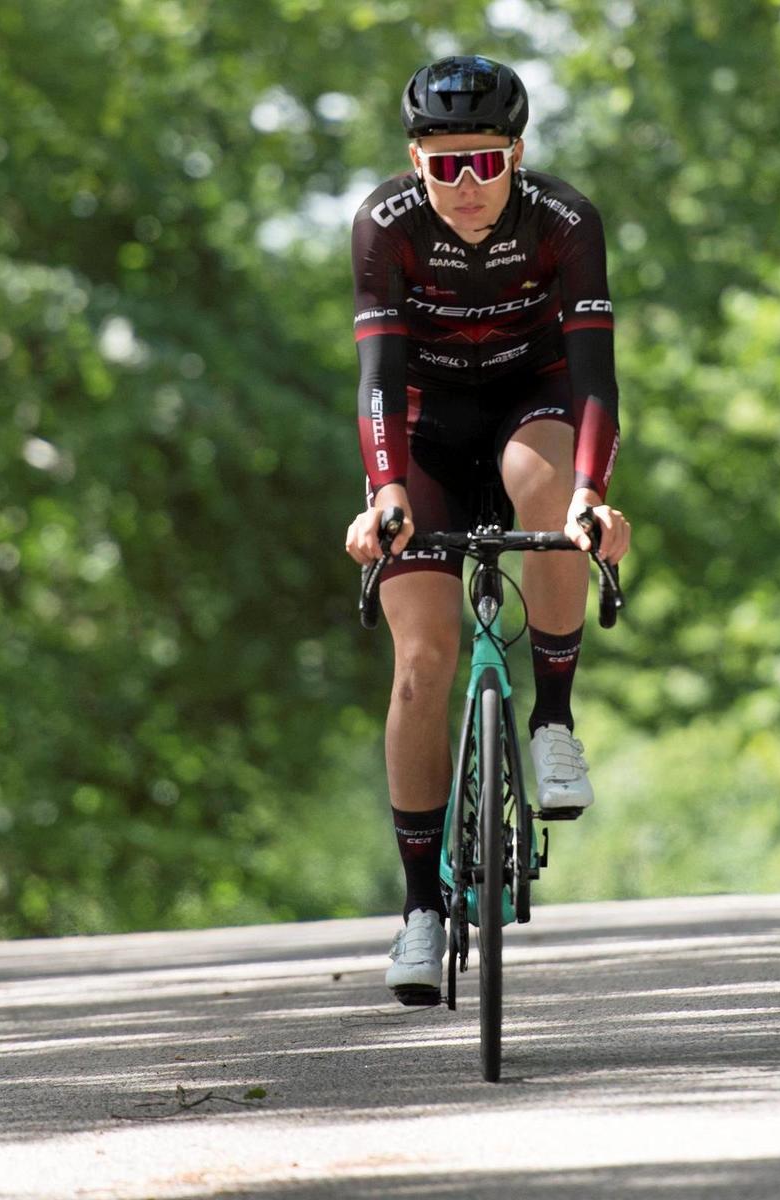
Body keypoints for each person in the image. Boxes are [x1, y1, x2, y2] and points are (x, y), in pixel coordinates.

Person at [342, 55, 632, 1006]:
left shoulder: (565, 221)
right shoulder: (384, 227)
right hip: (423, 426)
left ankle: (552, 720)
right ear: (413, 160)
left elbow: (594, 378)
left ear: (518, 155)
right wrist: (383, 490)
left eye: (487, 164)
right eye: (444, 165)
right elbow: (379, 379)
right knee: (423, 664)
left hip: (531, 403)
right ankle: (422, 909)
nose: (466, 187)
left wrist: (592, 493)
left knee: (540, 490)